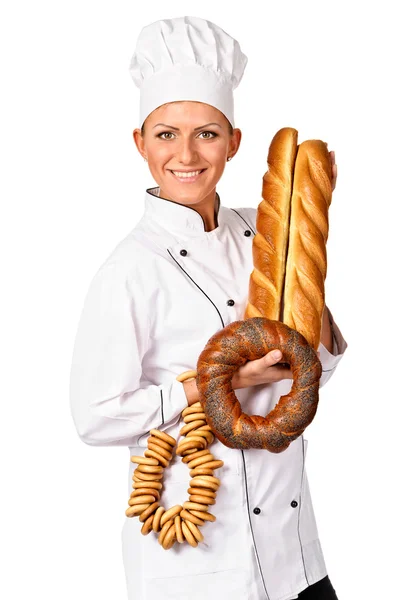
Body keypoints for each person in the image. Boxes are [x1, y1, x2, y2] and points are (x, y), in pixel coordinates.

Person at [69, 15, 347, 600]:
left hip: (296, 554)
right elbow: (94, 418)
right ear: (139, 142)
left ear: (235, 143)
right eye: (166, 134)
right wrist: (215, 382)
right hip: (200, 561)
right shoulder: (129, 270)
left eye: (208, 134)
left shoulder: (267, 232)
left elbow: (316, 366)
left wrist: (309, 305)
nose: (187, 154)